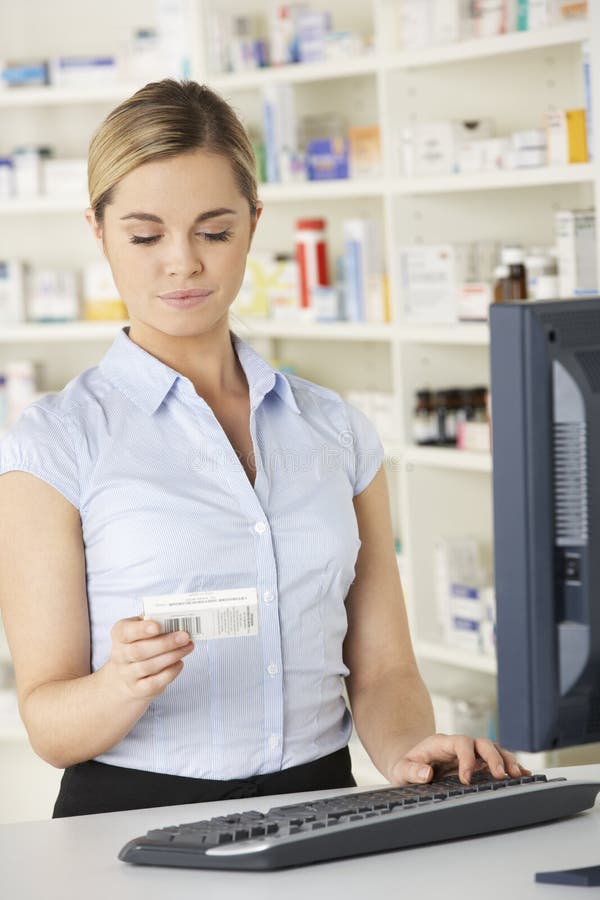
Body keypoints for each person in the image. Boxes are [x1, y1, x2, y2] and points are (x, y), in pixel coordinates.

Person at [0, 79, 528, 819]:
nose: (181, 263)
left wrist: (412, 752)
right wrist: (120, 680)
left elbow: (381, 671)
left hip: (320, 803)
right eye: (145, 235)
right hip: (130, 820)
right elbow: (49, 723)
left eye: (213, 232)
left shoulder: (333, 429)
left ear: (252, 223)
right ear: (98, 230)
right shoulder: (55, 443)